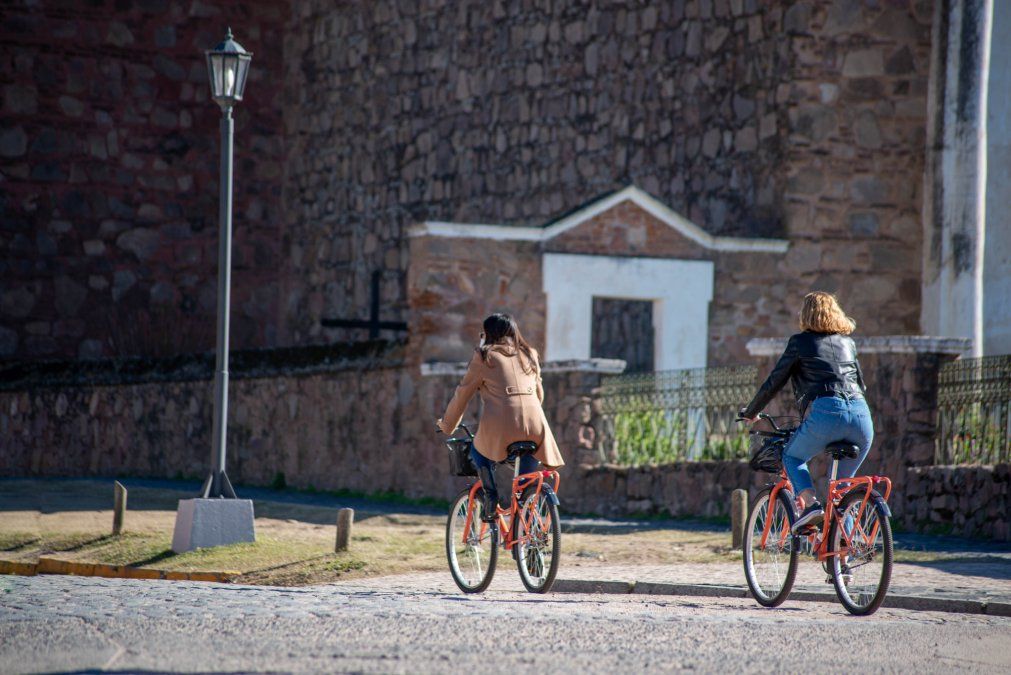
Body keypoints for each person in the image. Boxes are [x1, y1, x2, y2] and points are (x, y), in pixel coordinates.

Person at [740, 292, 873, 533]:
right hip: (862, 417)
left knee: (792, 457)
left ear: (806, 315)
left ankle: (811, 506)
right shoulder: (848, 344)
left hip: (828, 412)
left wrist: (752, 412)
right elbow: (861, 385)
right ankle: (845, 546)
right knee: (841, 488)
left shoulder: (800, 342)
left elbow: (775, 381)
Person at [437, 313, 564, 521]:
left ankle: (491, 496)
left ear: (487, 334)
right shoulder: (530, 354)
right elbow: (539, 395)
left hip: (503, 427)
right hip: (536, 426)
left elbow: (462, 394)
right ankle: (527, 524)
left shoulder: (485, 356)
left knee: (477, 451)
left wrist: (447, 425)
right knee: (525, 483)